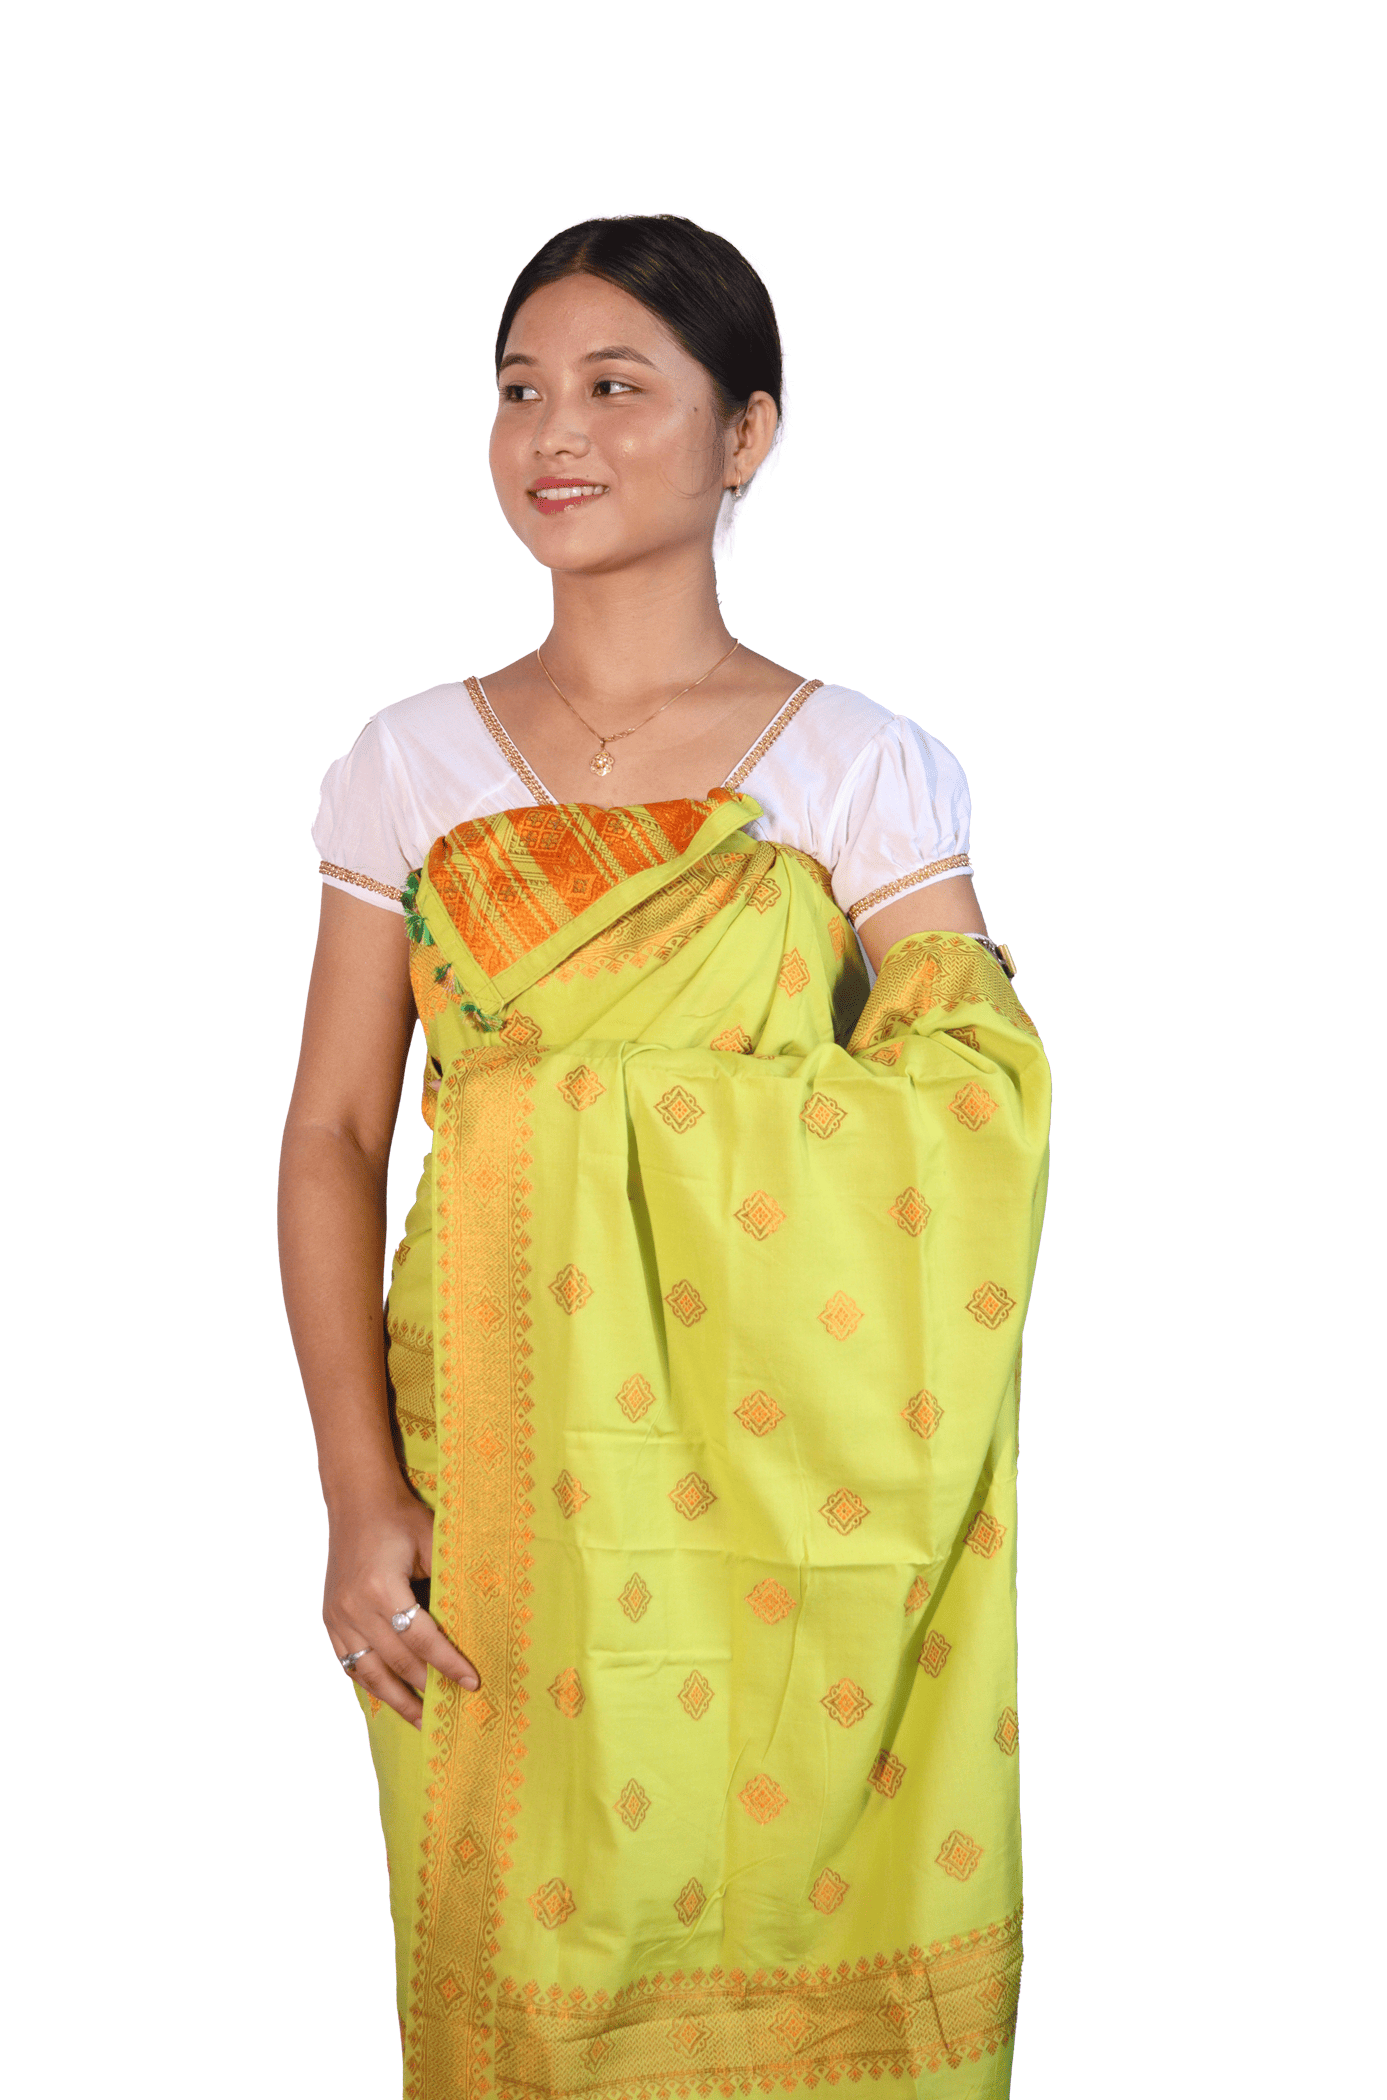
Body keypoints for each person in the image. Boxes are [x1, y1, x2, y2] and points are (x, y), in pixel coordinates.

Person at [279, 214, 1050, 2100]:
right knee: (509, 1966)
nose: (555, 431)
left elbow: (974, 1099)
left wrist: (590, 1102)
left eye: (618, 386)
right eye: (520, 388)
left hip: (780, 1497)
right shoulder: (408, 764)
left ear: (745, 434)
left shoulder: (856, 768)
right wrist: (358, 1492)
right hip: (491, 1470)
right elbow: (336, 1133)